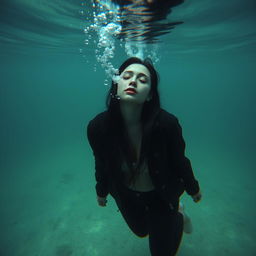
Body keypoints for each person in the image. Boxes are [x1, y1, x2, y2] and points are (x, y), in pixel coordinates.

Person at [87, 57, 202, 256]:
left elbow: (179, 161)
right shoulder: (98, 127)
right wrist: (101, 190)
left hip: (161, 194)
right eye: (127, 76)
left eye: (142, 79)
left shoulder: (167, 124)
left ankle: (179, 215)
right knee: (141, 231)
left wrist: (192, 187)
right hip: (126, 194)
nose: (133, 82)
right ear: (116, 86)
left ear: (150, 94)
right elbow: (101, 163)